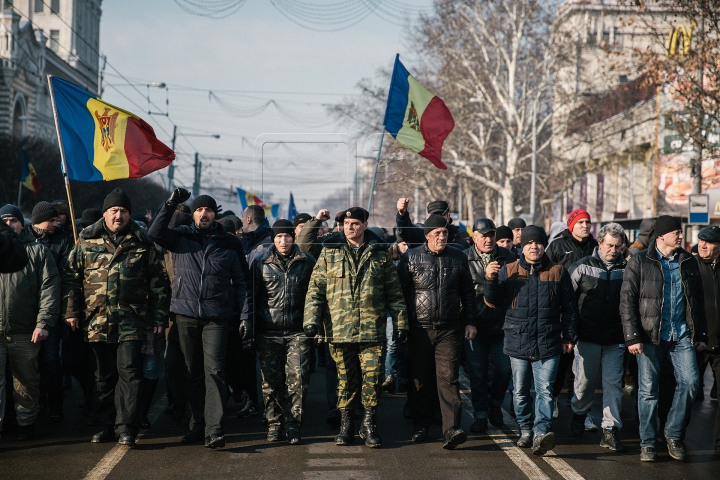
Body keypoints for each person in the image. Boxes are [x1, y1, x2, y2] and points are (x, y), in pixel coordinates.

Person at [62, 189, 168, 447]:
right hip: (96, 321)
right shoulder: (86, 243)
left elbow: (158, 283)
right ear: (105, 214)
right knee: (102, 376)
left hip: (132, 321)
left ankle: (127, 428)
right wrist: (71, 311)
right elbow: (71, 280)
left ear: (129, 214)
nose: (118, 215)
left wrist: (158, 317)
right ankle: (105, 425)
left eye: (123, 211)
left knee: (130, 374)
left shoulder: (142, 243)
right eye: (113, 211)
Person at [148, 189, 248, 449]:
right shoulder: (182, 237)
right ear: (193, 214)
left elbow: (241, 283)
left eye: (208, 210)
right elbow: (155, 233)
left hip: (217, 317)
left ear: (215, 214)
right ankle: (199, 424)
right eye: (199, 210)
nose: (204, 214)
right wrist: (171, 203)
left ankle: (215, 430)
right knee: (192, 373)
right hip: (185, 315)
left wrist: (243, 315)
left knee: (214, 370)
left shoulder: (230, 242)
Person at [304, 207, 408, 448]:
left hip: (372, 329)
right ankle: (346, 423)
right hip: (339, 330)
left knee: (373, 378)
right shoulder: (330, 252)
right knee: (346, 379)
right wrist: (311, 320)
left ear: (364, 225)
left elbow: (394, 292)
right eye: (346, 223)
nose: (349, 227)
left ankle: (369, 423)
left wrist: (401, 323)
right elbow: (315, 290)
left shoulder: (380, 254)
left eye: (355, 223)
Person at [620, 215, 708, 462]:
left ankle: (673, 433)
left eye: (680, 232)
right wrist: (632, 336)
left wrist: (700, 333)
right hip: (649, 337)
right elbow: (627, 301)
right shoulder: (639, 261)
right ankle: (648, 443)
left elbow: (697, 301)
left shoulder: (688, 261)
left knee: (691, 382)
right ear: (661, 236)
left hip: (680, 335)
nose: (680, 236)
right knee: (648, 391)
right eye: (676, 232)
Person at [484, 225, 578, 456]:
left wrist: (569, 336)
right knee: (520, 391)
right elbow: (494, 301)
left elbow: (569, 308)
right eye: (528, 243)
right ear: (521, 246)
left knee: (545, 390)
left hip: (549, 341)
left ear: (544, 245)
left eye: (537, 242)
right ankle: (525, 428)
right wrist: (490, 279)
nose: (533, 246)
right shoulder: (509, 270)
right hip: (517, 340)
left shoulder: (557, 271)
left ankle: (542, 432)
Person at [398, 215, 477, 449]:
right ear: (427, 235)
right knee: (420, 379)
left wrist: (470, 322)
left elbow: (468, 294)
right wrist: (402, 325)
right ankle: (421, 424)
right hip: (419, 329)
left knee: (449, 378)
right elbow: (399, 295)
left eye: (444, 232)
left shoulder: (458, 258)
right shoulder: (410, 258)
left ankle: (451, 429)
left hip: (449, 330)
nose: (442, 237)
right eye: (437, 233)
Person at [246, 220, 316, 444]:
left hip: (299, 332)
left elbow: (314, 297)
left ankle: (294, 425)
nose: (283, 241)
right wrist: (250, 326)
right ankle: (274, 423)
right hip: (269, 332)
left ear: (293, 238)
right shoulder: (260, 263)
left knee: (298, 380)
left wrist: (315, 325)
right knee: (271, 381)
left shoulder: (307, 262)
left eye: (287, 237)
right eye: (278, 237)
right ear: (273, 239)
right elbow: (252, 297)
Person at [0, 204, 60, 441]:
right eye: (3, 221)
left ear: (22, 223)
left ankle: (26, 424)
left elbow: (50, 289)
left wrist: (43, 323)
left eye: (12, 220)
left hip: (25, 330)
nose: (8, 225)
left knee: (25, 382)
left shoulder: (37, 251)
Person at [567, 223, 628, 452]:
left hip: (615, 338)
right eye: (610, 245)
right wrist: (569, 333)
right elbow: (567, 301)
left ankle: (610, 430)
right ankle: (579, 414)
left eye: (618, 246)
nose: (614, 250)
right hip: (587, 337)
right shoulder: (581, 267)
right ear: (600, 243)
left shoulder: (627, 269)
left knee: (613, 385)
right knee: (584, 384)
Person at [545, 209, 598, 422]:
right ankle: (554, 398)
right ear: (571, 225)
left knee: (586, 370)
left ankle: (583, 412)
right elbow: (546, 275)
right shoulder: (558, 246)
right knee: (562, 364)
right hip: (564, 312)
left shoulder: (596, 246)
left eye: (587, 222)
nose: (585, 226)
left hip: (590, 313)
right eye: (580, 222)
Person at [463, 218, 515, 434]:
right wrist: (468, 321)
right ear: (474, 237)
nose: (488, 240)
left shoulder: (508, 256)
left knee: (504, 368)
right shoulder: (465, 258)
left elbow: (514, 291)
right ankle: (481, 415)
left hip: (502, 326)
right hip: (475, 326)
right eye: (483, 235)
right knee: (478, 373)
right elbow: (462, 294)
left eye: (491, 235)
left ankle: (495, 403)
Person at [30, 201, 74, 423]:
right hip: (26, 312)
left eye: (58, 219)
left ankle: (56, 406)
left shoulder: (64, 240)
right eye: (53, 220)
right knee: (28, 362)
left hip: (52, 311)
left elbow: (66, 276)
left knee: (50, 359)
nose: (57, 223)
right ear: (39, 221)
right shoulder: (25, 241)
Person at [695, 225, 720, 453]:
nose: (703, 245)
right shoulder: (690, 266)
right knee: (686, 391)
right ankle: (673, 436)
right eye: (701, 240)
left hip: (719, 343)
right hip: (696, 342)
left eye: (709, 242)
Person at [395, 198, 470, 249]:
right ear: (428, 217)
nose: (438, 218)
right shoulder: (421, 234)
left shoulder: (460, 242)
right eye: (435, 215)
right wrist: (402, 215)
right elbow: (406, 232)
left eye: (442, 215)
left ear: (448, 217)